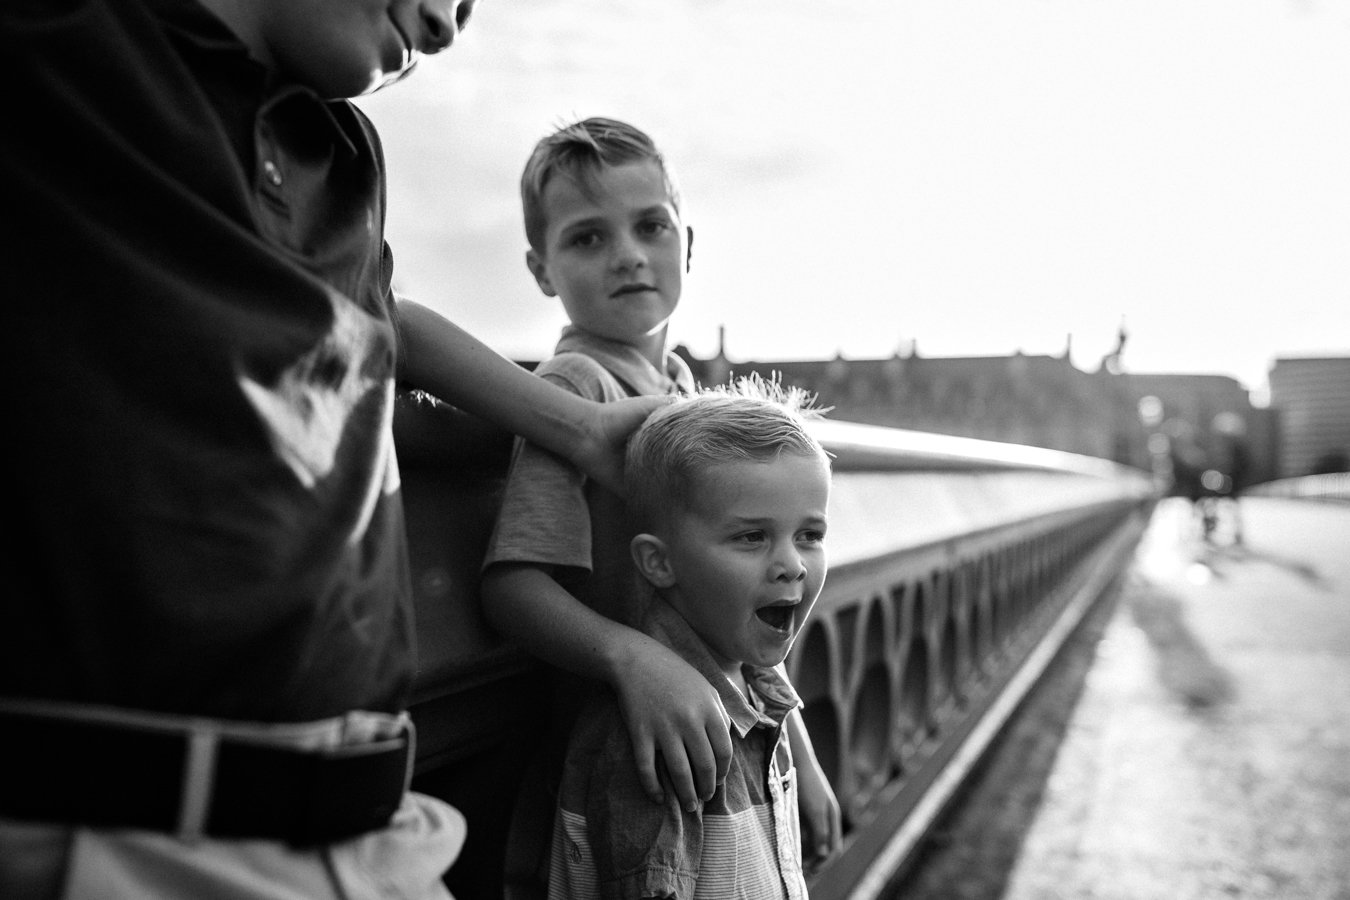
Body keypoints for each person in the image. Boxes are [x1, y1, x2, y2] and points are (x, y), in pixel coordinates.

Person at [0, 3, 667, 898]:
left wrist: (584, 432)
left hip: (377, 828)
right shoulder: (62, 48)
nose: (442, 25)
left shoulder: (345, 155)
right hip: (140, 829)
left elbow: (387, 320)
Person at [479, 118, 841, 886]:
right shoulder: (575, 388)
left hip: (725, 736)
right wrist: (632, 659)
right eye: (587, 239)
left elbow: (740, 626)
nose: (629, 255)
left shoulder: (681, 388)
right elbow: (513, 586)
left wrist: (797, 749)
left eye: (651, 226)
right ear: (542, 270)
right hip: (640, 751)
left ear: (688, 243)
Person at [547, 381, 832, 899]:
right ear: (659, 562)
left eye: (810, 535)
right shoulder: (662, 736)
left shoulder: (753, 685)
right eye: (751, 536)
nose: (792, 565)